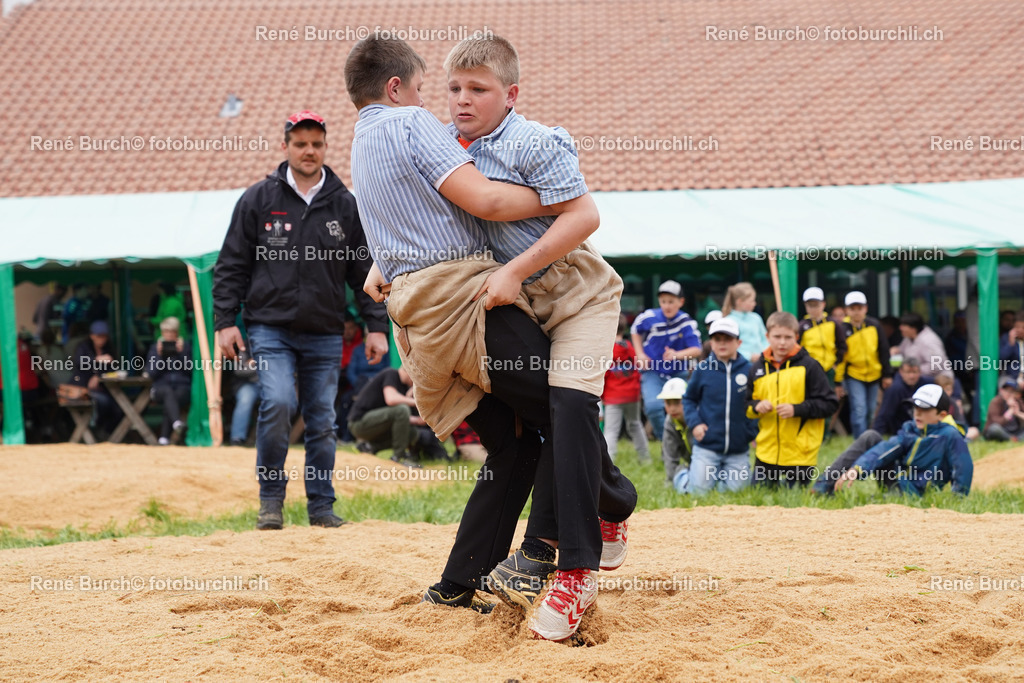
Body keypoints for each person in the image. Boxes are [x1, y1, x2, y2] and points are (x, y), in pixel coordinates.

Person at [345, 36, 636, 641]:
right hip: (509, 300)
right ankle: (486, 569)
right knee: (525, 438)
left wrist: (520, 254)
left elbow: (584, 215)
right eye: (451, 87)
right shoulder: (447, 143)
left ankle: (559, 559)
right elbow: (420, 207)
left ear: (510, 95)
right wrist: (386, 258)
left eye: (476, 89)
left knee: (565, 412)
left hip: (574, 294)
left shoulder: (535, 142)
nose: (458, 99)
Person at [213, 109, 389, 530]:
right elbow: (232, 263)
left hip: (325, 331)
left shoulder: (345, 204)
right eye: (300, 143)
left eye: (316, 144)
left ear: (325, 147)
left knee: (322, 419)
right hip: (269, 327)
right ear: (285, 146)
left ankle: (321, 507)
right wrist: (225, 321)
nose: (309, 151)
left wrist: (377, 327)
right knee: (277, 402)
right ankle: (271, 500)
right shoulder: (258, 199)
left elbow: (364, 272)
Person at [825, 385, 973, 496]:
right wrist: (857, 469)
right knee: (871, 436)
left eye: (925, 409)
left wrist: (957, 497)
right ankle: (822, 488)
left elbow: (963, 468)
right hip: (897, 481)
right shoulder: (910, 428)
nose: (918, 413)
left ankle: (881, 499)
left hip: (915, 493)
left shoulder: (950, 435)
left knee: (875, 503)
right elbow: (885, 449)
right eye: (915, 407)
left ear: (942, 415)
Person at [748, 311, 838, 487]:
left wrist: (797, 409)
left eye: (788, 337)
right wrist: (757, 406)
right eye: (777, 336)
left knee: (795, 499)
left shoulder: (811, 366)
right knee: (757, 497)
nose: (782, 342)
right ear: (767, 336)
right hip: (766, 453)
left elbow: (829, 404)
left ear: (797, 337)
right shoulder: (757, 368)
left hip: (801, 454)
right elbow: (746, 405)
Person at [678, 318, 758, 495]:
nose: (722, 343)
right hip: (707, 446)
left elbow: (757, 402)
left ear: (738, 343)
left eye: (728, 339)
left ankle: (718, 478)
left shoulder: (749, 370)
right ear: (711, 343)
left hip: (738, 448)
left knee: (737, 492)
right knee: (698, 493)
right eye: (717, 339)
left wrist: (752, 431)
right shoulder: (702, 369)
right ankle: (682, 477)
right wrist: (695, 424)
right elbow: (689, 399)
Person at [630, 280, 702, 438]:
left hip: (678, 372)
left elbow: (697, 349)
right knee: (653, 407)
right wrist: (640, 354)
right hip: (652, 371)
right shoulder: (649, 316)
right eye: (663, 301)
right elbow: (635, 329)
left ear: (681, 302)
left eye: (671, 301)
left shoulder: (686, 322)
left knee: (683, 407)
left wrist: (677, 355)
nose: (667, 306)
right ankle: (667, 439)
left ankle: (684, 438)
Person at [835, 291, 892, 437]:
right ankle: (859, 440)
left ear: (865, 308)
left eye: (859, 308)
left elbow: (883, 350)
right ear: (846, 310)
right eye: (852, 308)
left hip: (874, 374)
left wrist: (887, 374)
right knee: (859, 409)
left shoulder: (874, 325)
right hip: (854, 374)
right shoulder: (842, 329)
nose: (856, 312)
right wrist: (838, 381)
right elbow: (840, 356)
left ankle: (867, 438)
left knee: (871, 410)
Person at [347, 366, 426, 467]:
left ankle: (369, 447)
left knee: (412, 433)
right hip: (359, 423)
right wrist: (416, 402)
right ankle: (399, 457)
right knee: (402, 409)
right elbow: (391, 399)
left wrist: (418, 420)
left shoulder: (403, 386)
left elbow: (400, 418)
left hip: (375, 423)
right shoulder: (392, 374)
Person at [602, 314, 650, 464]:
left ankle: (608, 462)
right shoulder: (630, 347)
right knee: (635, 424)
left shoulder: (607, 350)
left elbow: (603, 375)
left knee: (611, 430)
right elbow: (637, 370)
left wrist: (601, 395)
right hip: (632, 395)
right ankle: (645, 458)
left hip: (613, 396)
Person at [68, 320, 122, 437]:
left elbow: (113, 368)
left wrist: (98, 376)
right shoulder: (83, 346)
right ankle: (96, 430)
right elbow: (78, 362)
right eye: (99, 336)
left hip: (103, 388)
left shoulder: (108, 348)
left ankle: (107, 433)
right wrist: (97, 359)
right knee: (104, 402)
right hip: (81, 388)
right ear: (92, 336)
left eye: (104, 336)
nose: (102, 339)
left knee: (118, 407)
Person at [144, 317, 192, 445]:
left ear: (177, 333)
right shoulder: (155, 348)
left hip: (181, 388)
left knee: (171, 398)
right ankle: (176, 423)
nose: (169, 335)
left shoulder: (185, 347)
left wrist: (181, 354)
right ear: (162, 333)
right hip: (160, 388)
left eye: (172, 332)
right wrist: (161, 356)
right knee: (167, 392)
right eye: (166, 332)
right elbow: (151, 373)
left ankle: (164, 438)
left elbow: (190, 371)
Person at [798, 287, 846, 386]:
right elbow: (798, 348)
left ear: (823, 304)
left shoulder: (833, 323)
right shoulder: (802, 326)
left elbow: (842, 346)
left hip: (829, 369)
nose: (813, 308)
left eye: (816, 305)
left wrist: (835, 364)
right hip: (810, 369)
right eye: (810, 305)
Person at [871, 357, 930, 435]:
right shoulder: (895, 389)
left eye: (914, 372)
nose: (911, 376)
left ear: (920, 372)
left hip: (924, 429)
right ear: (901, 372)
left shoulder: (927, 385)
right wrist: (875, 435)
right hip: (902, 431)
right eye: (908, 372)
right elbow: (885, 415)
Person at [657, 377, 691, 487]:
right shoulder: (669, 421)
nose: (672, 408)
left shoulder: (697, 418)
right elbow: (669, 455)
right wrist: (671, 480)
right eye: (668, 403)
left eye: (677, 402)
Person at [722, 282, 768, 362]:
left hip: (761, 361)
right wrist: (748, 356)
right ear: (739, 301)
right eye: (751, 301)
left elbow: (765, 339)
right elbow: (728, 345)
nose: (754, 303)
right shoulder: (728, 321)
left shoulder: (756, 317)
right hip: (740, 363)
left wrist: (764, 354)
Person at [898, 312, 950, 378]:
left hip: (938, 379)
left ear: (913, 328)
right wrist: (896, 350)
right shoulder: (909, 338)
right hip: (917, 377)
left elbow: (936, 366)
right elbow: (901, 351)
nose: (900, 328)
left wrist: (913, 369)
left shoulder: (929, 340)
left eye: (904, 326)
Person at [229, 346, 259, 447]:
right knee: (245, 399)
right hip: (247, 385)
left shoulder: (276, 344)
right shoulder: (243, 347)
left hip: (268, 384)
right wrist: (260, 362)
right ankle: (237, 438)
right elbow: (239, 370)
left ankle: (269, 439)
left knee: (277, 399)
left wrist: (253, 362)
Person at [998, 311, 1024, 384]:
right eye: (1017, 327)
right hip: (1010, 377)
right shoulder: (1006, 338)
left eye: (1022, 328)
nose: (1019, 330)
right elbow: (1000, 358)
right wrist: (1010, 344)